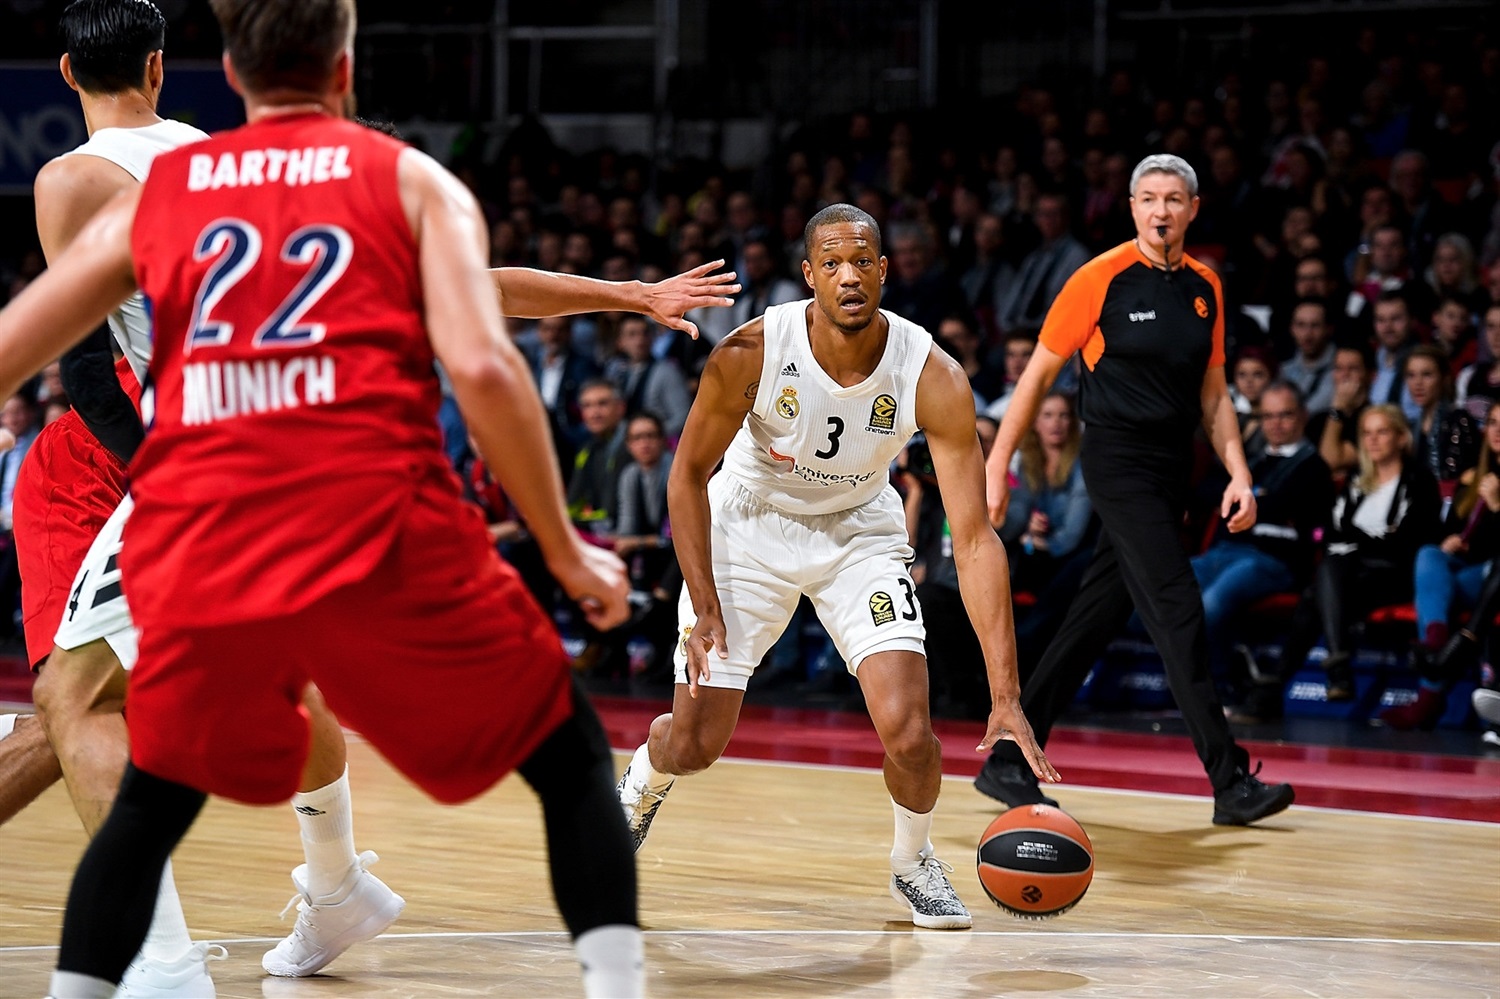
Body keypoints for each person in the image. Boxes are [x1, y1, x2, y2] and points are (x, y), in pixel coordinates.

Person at [0, 2, 647, 995]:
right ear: (345, 71)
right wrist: (563, 547)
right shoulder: (399, 174)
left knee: (98, 724)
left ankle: (156, 973)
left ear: (225, 69)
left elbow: (33, 351)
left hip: (214, 483)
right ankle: (396, 905)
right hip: (370, 485)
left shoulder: (164, 192)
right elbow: (482, 352)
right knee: (565, 756)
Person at [615, 203, 1057, 931]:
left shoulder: (931, 373)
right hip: (748, 527)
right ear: (809, 276)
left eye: (862, 262)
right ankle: (644, 775)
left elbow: (975, 538)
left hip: (859, 532)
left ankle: (912, 863)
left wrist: (1006, 693)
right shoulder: (751, 351)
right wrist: (704, 600)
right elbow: (685, 475)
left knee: (912, 732)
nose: (848, 275)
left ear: (883, 271)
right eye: (832, 263)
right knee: (694, 745)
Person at [974, 154, 1295, 827]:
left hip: (1174, 465)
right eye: (1149, 198)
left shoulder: (1207, 284)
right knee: (1177, 607)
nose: (1161, 210)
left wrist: (1239, 471)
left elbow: (1214, 393)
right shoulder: (1099, 278)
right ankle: (1229, 779)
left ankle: (1008, 755)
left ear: (1193, 208)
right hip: (1117, 460)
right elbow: (1033, 380)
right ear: (1131, 206)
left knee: (1094, 617)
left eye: (1174, 198)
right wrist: (996, 469)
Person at [1247, 406, 1440, 708]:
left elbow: (1407, 542)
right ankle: (1333, 670)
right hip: (1349, 576)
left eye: (1382, 432)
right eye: (1366, 433)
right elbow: (1328, 531)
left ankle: (1284, 683)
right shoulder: (1356, 481)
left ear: (1402, 438)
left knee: (1319, 589)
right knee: (1325, 580)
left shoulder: (1420, 481)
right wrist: (1375, 536)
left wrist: (1356, 538)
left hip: (1394, 576)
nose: (1372, 440)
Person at [1379, 398, 1500, 730]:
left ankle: (1430, 693)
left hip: (1495, 578)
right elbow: (1454, 531)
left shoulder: (1491, 487)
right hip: (1470, 573)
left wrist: (1496, 505)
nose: (1498, 431)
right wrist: (1454, 539)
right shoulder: (1475, 478)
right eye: (1492, 423)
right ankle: (1436, 644)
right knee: (1429, 554)